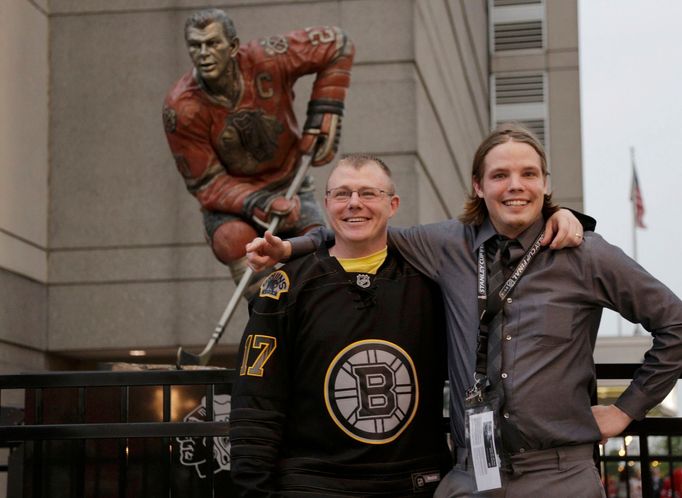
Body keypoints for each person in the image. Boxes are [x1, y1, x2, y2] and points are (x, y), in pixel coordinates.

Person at [247, 124, 682, 496]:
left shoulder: (586, 255)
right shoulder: (446, 244)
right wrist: (291, 246)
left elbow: (675, 323)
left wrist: (627, 408)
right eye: (500, 175)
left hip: (559, 476)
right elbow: (362, 223)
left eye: (528, 174)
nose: (515, 185)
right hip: (468, 476)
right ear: (478, 185)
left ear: (546, 184)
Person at [230, 155, 452, 496]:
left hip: (412, 482)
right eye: (342, 194)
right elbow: (257, 402)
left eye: (368, 193)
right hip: (317, 485)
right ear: (326, 204)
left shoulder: (430, 282)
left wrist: (562, 215)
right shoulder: (287, 286)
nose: (354, 204)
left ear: (393, 205)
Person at [162, 8, 354, 290]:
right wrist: (258, 202)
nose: (204, 53)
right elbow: (206, 182)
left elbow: (336, 44)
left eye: (213, 43)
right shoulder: (181, 108)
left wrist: (325, 111)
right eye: (195, 45)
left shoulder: (269, 57)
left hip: (289, 182)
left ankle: (315, 315)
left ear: (233, 46)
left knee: (318, 250)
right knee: (233, 239)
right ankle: (269, 315)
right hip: (230, 204)